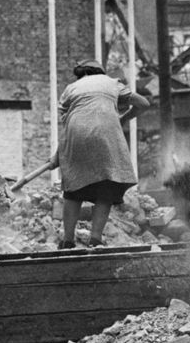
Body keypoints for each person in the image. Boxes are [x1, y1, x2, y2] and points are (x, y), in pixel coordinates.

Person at [58, 60, 149, 248]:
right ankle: (96, 238)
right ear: (100, 71)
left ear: (81, 74)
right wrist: (124, 118)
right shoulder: (111, 82)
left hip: (76, 134)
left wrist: (58, 155)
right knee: (106, 185)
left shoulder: (71, 88)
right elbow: (144, 103)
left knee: (73, 190)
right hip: (106, 133)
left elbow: (67, 123)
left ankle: (67, 241)